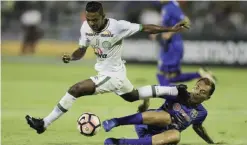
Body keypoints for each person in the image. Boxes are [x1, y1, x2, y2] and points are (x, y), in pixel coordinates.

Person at [25, 1, 189, 134]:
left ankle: (44, 123)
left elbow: (145, 27)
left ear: (103, 16)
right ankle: (175, 91)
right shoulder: (85, 28)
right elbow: (81, 51)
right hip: (113, 72)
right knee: (132, 96)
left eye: (95, 19)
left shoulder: (117, 27)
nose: (92, 23)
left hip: (113, 76)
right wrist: (72, 57)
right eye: (89, 19)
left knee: (76, 89)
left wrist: (171, 29)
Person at [103, 78, 221, 145]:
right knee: (167, 118)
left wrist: (211, 143)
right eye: (197, 87)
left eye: (203, 92)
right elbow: (155, 91)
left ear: (208, 98)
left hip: (161, 139)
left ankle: (119, 143)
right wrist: (145, 103)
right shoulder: (179, 93)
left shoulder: (201, 113)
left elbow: (198, 127)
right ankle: (115, 122)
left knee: (176, 135)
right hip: (148, 126)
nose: (197, 92)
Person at [151, 0, 216, 86]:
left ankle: (169, 95)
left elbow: (186, 21)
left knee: (164, 74)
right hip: (167, 45)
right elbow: (164, 22)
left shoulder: (172, 7)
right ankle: (200, 74)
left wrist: (170, 33)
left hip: (173, 46)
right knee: (170, 76)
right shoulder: (166, 6)